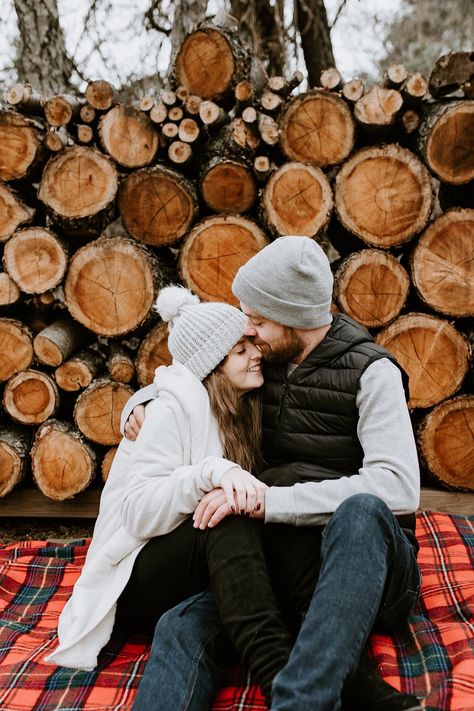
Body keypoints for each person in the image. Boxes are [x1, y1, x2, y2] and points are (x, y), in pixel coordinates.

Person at [125, 236, 423, 711]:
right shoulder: (265, 361)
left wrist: (271, 502)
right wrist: (142, 404)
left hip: (364, 565)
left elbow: (399, 487)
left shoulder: (372, 373)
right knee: (181, 623)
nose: (248, 331)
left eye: (258, 321)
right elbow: (193, 373)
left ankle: (300, 701)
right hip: (281, 554)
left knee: (362, 510)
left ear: (297, 321)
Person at [44, 286, 294, 678]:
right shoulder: (168, 412)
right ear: (211, 367)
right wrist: (208, 473)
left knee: (236, 512)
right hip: (134, 578)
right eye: (241, 351)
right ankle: (275, 663)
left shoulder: (241, 405)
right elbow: (138, 514)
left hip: (188, 561)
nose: (256, 354)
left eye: (252, 346)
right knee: (224, 514)